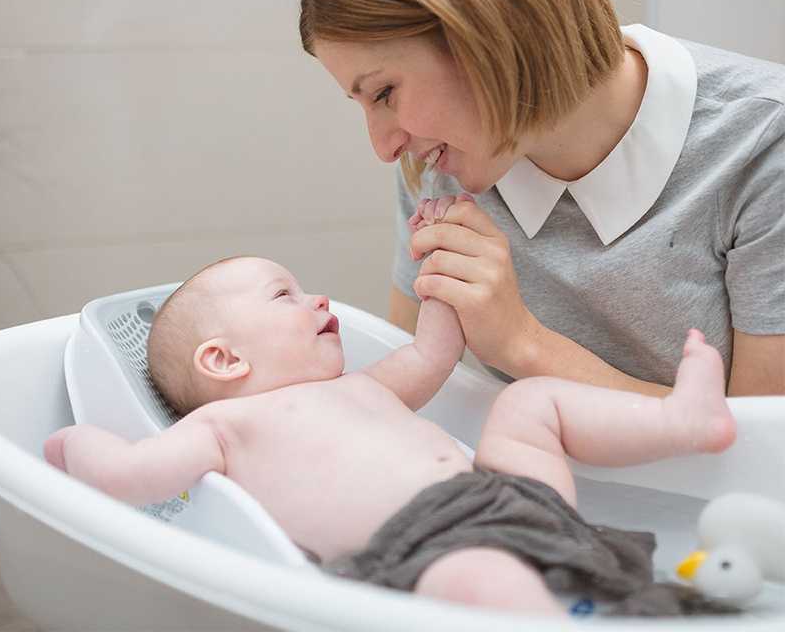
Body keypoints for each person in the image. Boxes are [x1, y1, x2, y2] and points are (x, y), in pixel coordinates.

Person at [44, 196, 738, 616]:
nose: (317, 299)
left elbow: (434, 353)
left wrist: (435, 264)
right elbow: (130, 476)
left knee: (531, 405)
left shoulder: (361, 388)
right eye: (284, 296)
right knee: (479, 580)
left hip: (503, 495)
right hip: (423, 546)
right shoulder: (225, 428)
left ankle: (678, 420)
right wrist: (74, 444)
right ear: (224, 360)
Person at [299, 0, 785, 397]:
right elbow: (407, 392)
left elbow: (763, 450)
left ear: (483, 34)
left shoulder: (762, 142)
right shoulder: (441, 157)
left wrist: (523, 343)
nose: (385, 148)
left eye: (385, 93)